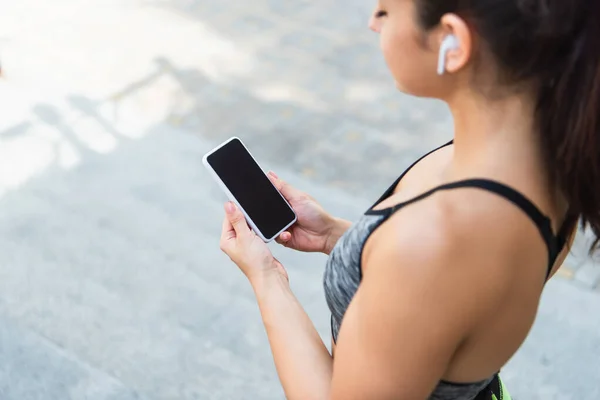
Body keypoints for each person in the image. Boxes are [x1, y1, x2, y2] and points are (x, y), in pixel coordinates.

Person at [218, 0, 600, 398]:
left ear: (452, 40)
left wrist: (267, 278)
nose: (372, 23)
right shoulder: (546, 157)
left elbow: (431, 266)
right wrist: (338, 237)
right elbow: (453, 299)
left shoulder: (437, 242)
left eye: (385, 11)